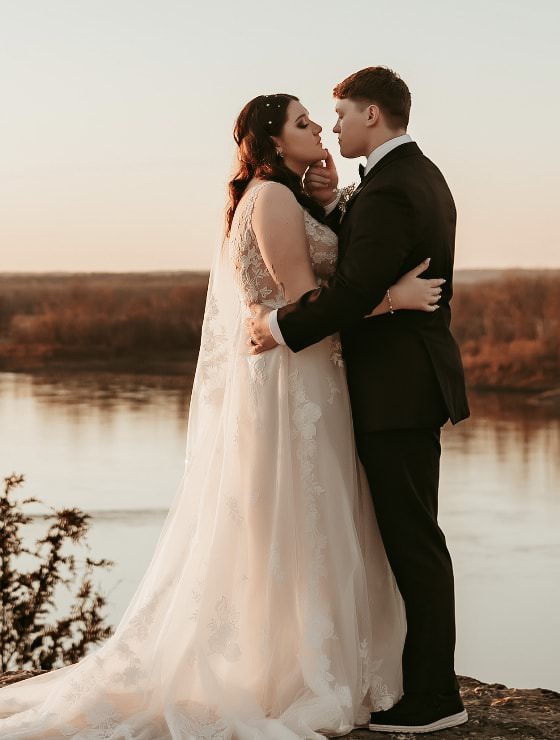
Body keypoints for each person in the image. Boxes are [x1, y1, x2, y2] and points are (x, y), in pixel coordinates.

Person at [0, 91, 444, 740]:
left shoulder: (286, 197)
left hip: (307, 377)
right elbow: (306, 302)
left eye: (319, 117)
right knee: (301, 520)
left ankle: (313, 659)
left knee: (312, 520)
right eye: (303, 121)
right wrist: (391, 301)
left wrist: (325, 204)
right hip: (295, 381)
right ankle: (294, 672)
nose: (319, 124)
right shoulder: (270, 198)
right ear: (270, 142)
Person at [248, 67, 470, 735]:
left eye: (341, 113)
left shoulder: (393, 190)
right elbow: (369, 263)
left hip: (397, 386)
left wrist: (278, 327)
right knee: (410, 537)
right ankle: (423, 684)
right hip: (408, 381)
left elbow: (348, 293)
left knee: (413, 542)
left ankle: (435, 697)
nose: (333, 124)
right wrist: (337, 202)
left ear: (373, 115)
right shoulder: (410, 177)